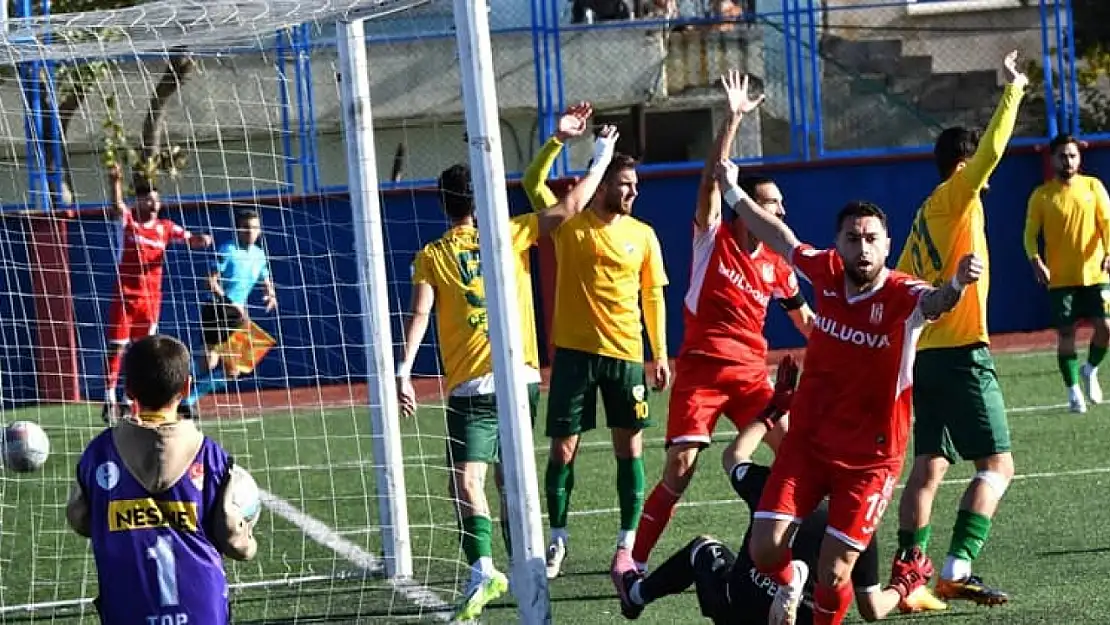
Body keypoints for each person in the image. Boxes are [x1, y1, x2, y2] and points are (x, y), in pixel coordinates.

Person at [715, 158, 982, 625]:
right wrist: (733, 194)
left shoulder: (904, 295)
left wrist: (956, 283)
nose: (863, 248)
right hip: (809, 446)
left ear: (887, 245)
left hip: (870, 460)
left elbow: (936, 302)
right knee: (763, 551)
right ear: (839, 243)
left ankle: (856, 593)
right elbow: (781, 237)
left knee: (835, 573)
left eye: (872, 239)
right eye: (853, 238)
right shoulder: (825, 272)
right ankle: (792, 574)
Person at [395, 125, 619, 621]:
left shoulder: (431, 256)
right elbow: (571, 206)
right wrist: (598, 154)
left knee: (465, 482)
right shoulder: (509, 232)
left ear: (443, 205)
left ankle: (483, 570)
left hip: (472, 385)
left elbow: (420, 315)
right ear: (477, 202)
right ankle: (523, 567)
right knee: (508, 481)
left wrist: (403, 371)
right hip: (520, 378)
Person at [631, 70, 813, 571]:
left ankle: (797, 551)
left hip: (753, 377)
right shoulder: (714, 236)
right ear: (749, 207)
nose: (782, 209)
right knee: (681, 468)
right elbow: (713, 177)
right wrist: (732, 118)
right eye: (773, 202)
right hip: (703, 371)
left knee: (799, 454)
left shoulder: (779, 264)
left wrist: (854, 346)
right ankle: (634, 561)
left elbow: (806, 323)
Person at [613, 359, 948, 623]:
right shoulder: (859, 523)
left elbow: (734, 457)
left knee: (703, 548)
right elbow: (872, 608)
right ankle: (792, 587)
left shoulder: (778, 489)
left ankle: (638, 594)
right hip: (808, 613)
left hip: (738, 607)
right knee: (838, 587)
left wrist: (774, 409)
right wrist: (904, 585)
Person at [892, 50, 1027, 605]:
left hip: (929, 358)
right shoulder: (957, 194)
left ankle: (909, 579)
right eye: (979, 171)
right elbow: (993, 148)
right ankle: (955, 566)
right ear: (963, 166)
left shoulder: (929, 210)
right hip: (963, 356)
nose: (988, 179)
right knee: (999, 465)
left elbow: (900, 282)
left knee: (928, 468)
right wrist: (1014, 88)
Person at [540, 148, 672, 581]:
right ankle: (557, 538)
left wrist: (659, 352)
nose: (633, 191)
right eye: (624, 183)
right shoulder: (569, 224)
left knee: (629, 449)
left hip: (626, 355)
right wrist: (557, 143)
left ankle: (626, 543)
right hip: (575, 356)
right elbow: (531, 182)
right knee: (563, 449)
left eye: (635, 184)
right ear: (601, 185)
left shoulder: (645, 234)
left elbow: (653, 296)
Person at [66, 334, 258, 625]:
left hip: (127, 610)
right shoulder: (211, 456)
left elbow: (80, 519)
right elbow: (232, 535)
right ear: (187, 387)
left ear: (129, 390)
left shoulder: (99, 454)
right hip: (202, 610)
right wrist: (249, 543)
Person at [102, 166, 212, 423]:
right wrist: (115, 181)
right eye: (147, 199)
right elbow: (117, 206)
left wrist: (199, 240)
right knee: (116, 347)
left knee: (143, 352)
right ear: (138, 201)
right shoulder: (127, 222)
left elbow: (188, 238)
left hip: (150, 301)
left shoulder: (165, 227)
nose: (153, 204)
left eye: (156, 199)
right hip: (125, 296)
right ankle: (109, 397)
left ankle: (130, 401)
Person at [1024, 133, 1110, 413]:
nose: (1068, 160)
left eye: (1072, 155)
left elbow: (1107, 224)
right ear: (1053, 159)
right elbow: (1029, 235)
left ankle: (1090, 369)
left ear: (1079, 157)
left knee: (1106, 328)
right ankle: (1073, 390)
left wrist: (1109, 252)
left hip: (1095, 274)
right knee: (1066, 334)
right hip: (1061, 280)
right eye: (1062, 155)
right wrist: (1036, 260)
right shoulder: (1042, 195)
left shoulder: (1093, 187)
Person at [181, 209, 277, 415]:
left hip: (237, 314)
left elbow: (265, 278)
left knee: (233, 369)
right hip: (217, 309)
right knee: (209, 362)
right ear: (238, 229)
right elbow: (209, 281)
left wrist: (270, 294)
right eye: (246, 228)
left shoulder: (259, 255)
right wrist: (229, 303)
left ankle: (187, 400)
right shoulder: (228, 249)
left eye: (255, 228)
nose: (251, 232)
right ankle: (173, 387)